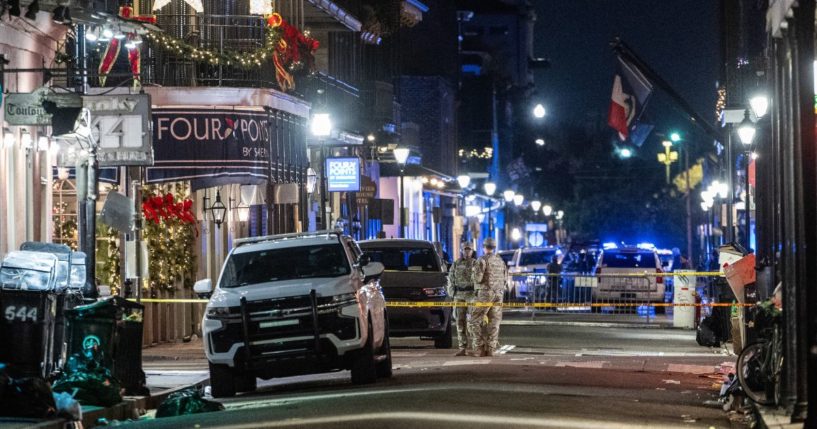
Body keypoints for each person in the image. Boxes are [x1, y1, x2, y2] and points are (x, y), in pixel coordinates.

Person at [467, 237, 508, 357]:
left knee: (474, 320)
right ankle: (490, 349)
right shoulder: (500, 261)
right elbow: (505, 279)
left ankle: (479, 348)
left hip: (485, 293)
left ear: (484, 247)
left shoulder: (482, 260)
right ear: (494, 248)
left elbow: (477, 279)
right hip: (498, 294)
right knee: (494, 322)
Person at [449, 241, 478, 356]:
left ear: (472, 251)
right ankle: (462, 347)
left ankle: (475, 346)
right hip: (459, 296)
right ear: (462, 250)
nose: (467, 251)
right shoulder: (456, 264)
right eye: (465, 249)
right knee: (459, 321)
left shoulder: (476, 263)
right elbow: (450, 278)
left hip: (471, 296)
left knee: (472, 322)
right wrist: (452, 293)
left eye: (469, 249)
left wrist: (478, 294)